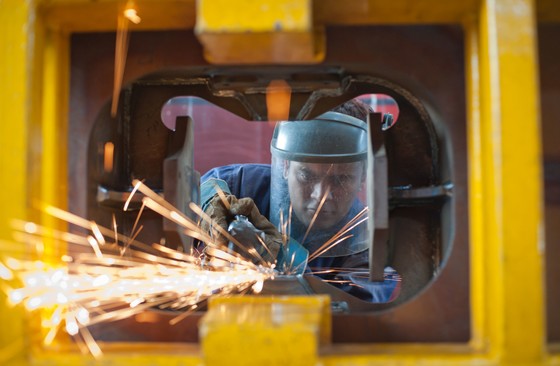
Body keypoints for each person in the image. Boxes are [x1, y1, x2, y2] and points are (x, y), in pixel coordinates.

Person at [199, 99, 399, 302]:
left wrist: (281, 263)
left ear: (363, 176)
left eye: (341, 179)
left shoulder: (370, 251)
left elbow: (354, 314)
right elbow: (204, 186)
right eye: (307, 175)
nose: (321, 195)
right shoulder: (245, 185)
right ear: (285, 166)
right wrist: (210, 206)